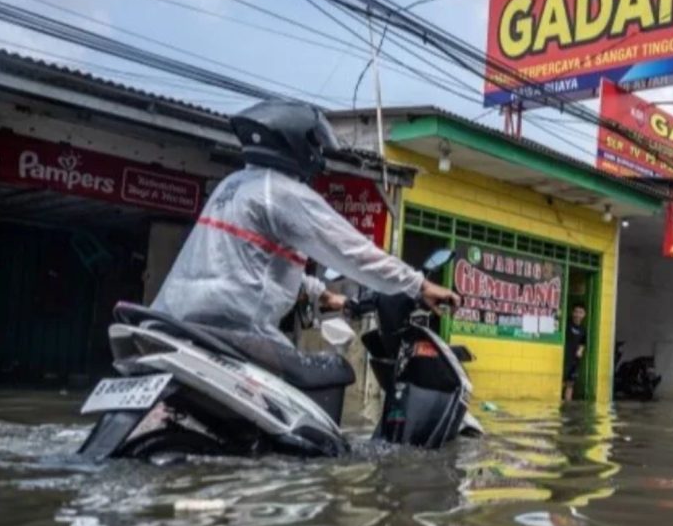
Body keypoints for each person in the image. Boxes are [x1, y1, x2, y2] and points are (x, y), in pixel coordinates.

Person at [152, 99, 460, 375]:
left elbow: (250, 263)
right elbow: (354, 253)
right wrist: (420, 285)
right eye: (315, 144)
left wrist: (323, 295)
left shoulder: (234, 185)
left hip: (173, 321)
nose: (318, 155)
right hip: (231, 332)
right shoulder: (283, 192)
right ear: (296, 144)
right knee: (325, 378)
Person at [562, 303, 588, 401]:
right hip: (564, 358)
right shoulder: (566, 324)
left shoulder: (583, 329)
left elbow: (583, 343)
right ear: (573, 313)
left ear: (584, 315)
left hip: (574, 360)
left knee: (570, 383)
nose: (578, 314)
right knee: (562, 381)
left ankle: (567, 403)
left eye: (580, 312)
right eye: (576, 312)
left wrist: (580, 351)